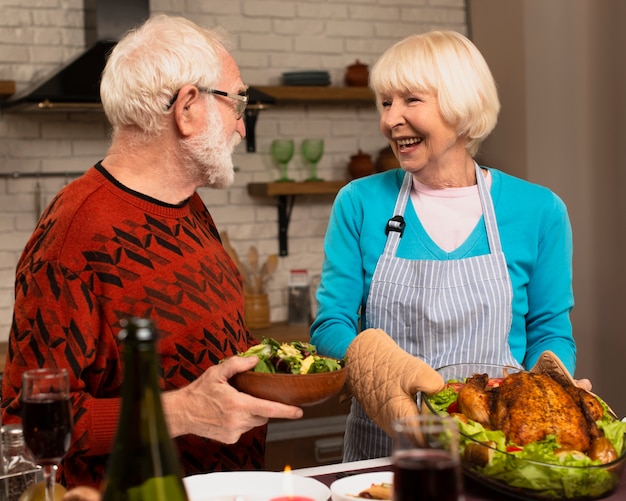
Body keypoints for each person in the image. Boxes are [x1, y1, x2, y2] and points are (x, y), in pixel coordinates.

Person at [1, 14, 303, 490]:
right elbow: (23, 424)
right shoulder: (73, 236)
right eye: (237, 102)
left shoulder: (189, 207)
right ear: (186, 108)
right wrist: (182, 412)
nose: (242, 129)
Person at [310, 30, 584, 461]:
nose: (390, 120)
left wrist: (550, 386)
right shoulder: (360, 203)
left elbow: (550, 331)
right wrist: (381, 371)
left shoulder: (539, 211)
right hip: (384, 452)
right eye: (386, 103)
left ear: (460, 107)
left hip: (499, 451)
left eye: (410, 100)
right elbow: (330, 326)